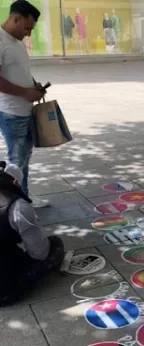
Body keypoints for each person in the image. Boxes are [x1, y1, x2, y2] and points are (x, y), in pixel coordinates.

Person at [0, 0, 49, 208]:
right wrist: (24, 92)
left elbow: (20, 71)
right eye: (27, 28)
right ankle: (14, 206)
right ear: (15, 18)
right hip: (12, 112)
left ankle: (24, 197)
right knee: (16, 163)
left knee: (24, 160)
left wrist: (34, 85)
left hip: (25, 110)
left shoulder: (17, 41)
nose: (28, 34)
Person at [0, 161, 65, 306]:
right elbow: (40, 253)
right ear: (16, 182)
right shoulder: (18, 207)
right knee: (55, 244)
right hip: (4, 291)